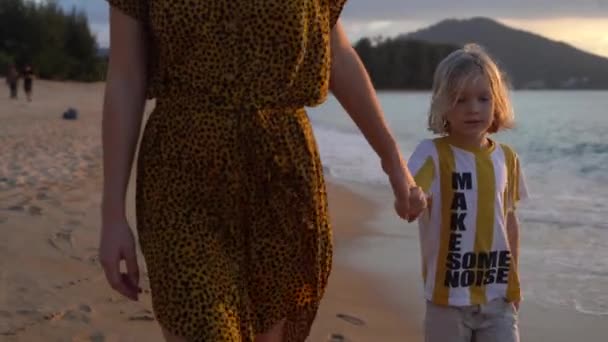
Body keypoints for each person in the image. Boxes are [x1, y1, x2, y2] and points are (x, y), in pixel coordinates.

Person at [100, 1, 425, 341]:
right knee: (200, 323)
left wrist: (393, 162)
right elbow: (125, 76)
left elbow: (337, 54)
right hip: (182, 179)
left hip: (283, 182)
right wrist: (112, 215)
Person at [407, 43, 529, 342]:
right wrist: (410, 201)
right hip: (447, 300)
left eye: (483, 98)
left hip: (498, 298)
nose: (473, 108)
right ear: (443, 105)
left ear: (497, 102)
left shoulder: (507, 158)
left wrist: (514, 283)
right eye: (461, 100)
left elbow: (509, 222)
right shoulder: (432, 154)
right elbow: (408, 199)